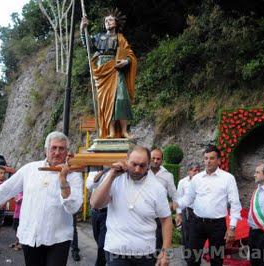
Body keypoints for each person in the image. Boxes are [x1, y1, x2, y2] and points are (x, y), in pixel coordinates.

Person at [0, 131, 83, 266]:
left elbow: (73, 207)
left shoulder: (73, 175)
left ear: (67, 151)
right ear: (46, 150)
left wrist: (63, 180)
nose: (57, 152)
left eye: (61, 148)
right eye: (53, 148)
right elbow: (3, 191)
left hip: (59, 238)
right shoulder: (30, 169)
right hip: (31, 236)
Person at [90, 145, 172, 266]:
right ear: (126, 160)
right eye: (134, 164)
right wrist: (112, 175)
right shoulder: (115, 179)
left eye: (142, 165)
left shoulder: (157, 188)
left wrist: (165, 252)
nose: (137, 169)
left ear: (149, 165)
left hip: (145, 253)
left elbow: (166, 219)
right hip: (116, 251)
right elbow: (95, 203)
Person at [177, 145, 242, 266]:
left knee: (216, 260)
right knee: (192, 260)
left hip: (217, 225)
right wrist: (175, 206)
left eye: (212, 158)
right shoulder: (197, 178)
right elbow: (187, 199)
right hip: (197, 224)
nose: (208, 161)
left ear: (218, 160)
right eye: (206, 158)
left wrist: (232, 227)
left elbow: (235, 204)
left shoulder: (228, 178)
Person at [80, 9, 137, 139]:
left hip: (116, 69)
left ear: (116, 23)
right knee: (106, 102)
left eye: (110, 20)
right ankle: (110, 131)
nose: (107, 22)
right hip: (102, 70)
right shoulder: (98, 37)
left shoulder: (120, 38)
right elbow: (87, 45)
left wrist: (126, 61)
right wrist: (83, 30)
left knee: (121, 99)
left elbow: (130, 54)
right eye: (106, 20)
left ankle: (124, 131)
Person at [149, 148, 178, 251]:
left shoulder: (167, 176)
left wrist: (178, 213)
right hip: (143, 216)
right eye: (153, 158)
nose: (155, 161)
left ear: (162, 160)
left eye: (158, 159)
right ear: (149, 158)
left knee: (158, 247)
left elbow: (174, 196)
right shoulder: (142, 172)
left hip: (159, 218)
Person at [175, 162, 201, 252]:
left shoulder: (202, 182)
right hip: (187, 211)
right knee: (187, 234)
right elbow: (178, 198)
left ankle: (195, 255)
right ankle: (187, 255)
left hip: (200, 212)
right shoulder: (182, 182)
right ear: (189, 172)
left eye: (198, 170)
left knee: (197, 235)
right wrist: (178, 214)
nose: (196, 172)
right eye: (194, 170)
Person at [86, 169, 107, 266]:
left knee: (102, 244)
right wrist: (102, 173)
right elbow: (89, 186)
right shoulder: (93, 172)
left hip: (107, 212)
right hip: (95, 212)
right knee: (98, 240)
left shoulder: (113, 172)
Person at [66, 151, 81, 262]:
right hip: (60, 202)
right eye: (67, 156)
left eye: (70, 156)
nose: (68, 158)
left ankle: (74, 250)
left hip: (71, 202)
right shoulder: (58, 168)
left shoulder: (76, 171)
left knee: (73, 228)